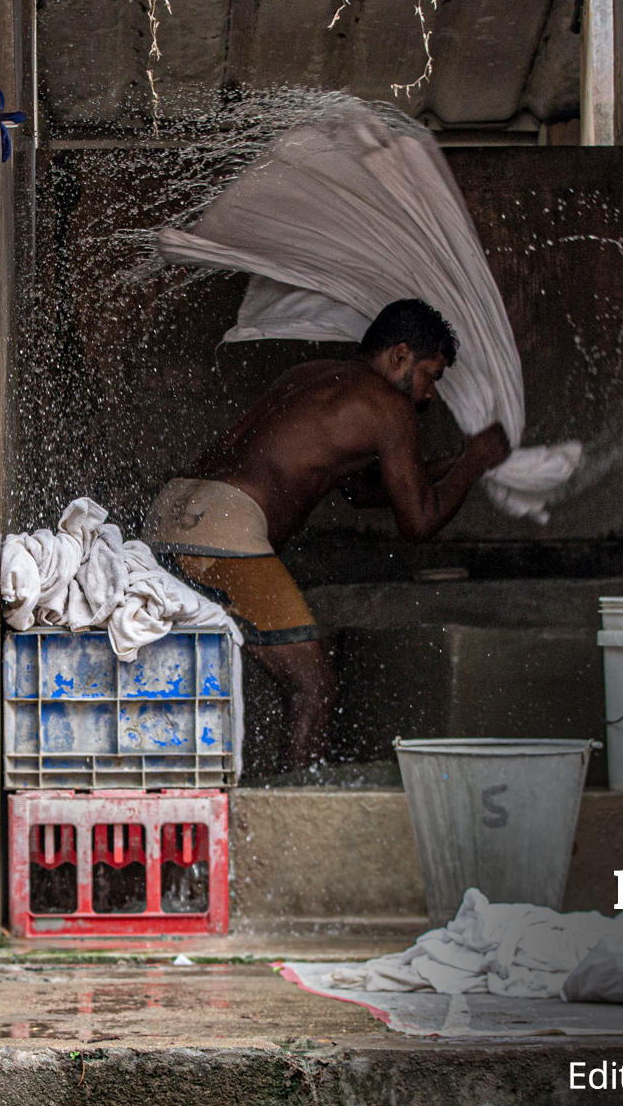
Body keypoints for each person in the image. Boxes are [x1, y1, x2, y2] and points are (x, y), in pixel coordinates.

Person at [146, 298, 511, 772]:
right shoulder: (390, 407)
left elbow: (362, 492)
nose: (430, 394)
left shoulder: (312, 376)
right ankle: (295, 807)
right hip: (224, 533)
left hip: (170, 516)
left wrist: (454, 465)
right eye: (431, 375)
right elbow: (419, 522)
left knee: (186, 667)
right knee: (313, 688)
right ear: (400, 356)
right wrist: (475, 463)